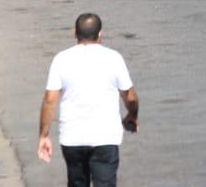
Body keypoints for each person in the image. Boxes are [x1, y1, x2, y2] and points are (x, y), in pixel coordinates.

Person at [38, 13, 139, 187]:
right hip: (105, 137)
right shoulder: (114, 58)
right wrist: (132, 115)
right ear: (100, 33)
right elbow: (129, 96)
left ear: (74, 33)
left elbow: (49, 100)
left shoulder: (61, 59)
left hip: (72, 137)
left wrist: (44, 135)